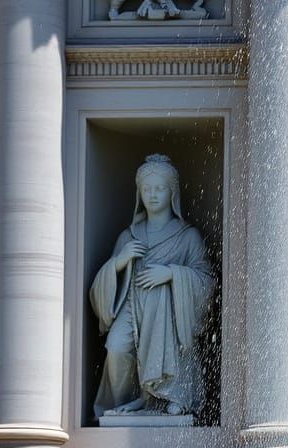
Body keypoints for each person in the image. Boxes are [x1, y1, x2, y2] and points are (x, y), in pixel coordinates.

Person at [90, 154, 215, 419]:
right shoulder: (129, 235)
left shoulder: (187, 235)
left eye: (159, 188)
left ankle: (168, 395)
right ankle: (130, 400)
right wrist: (119, 262)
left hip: (167, 313)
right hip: (132, 306)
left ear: (172, 192)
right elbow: (98, 287)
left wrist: (171, 274)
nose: (152, 195)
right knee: (116, 347)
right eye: (147, 189)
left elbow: (205, 279)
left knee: (166, 333)